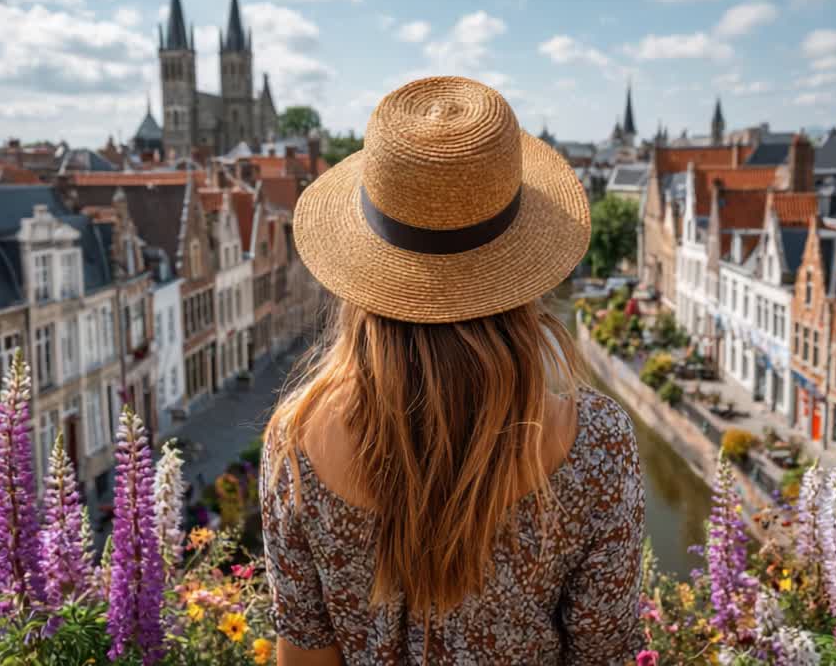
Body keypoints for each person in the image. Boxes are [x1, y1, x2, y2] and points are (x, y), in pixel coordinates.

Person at [261, 76, 646, 665]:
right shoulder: (596, 443)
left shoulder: (296, 441)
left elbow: (304, 655)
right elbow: (606, 655)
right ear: (522, 275)